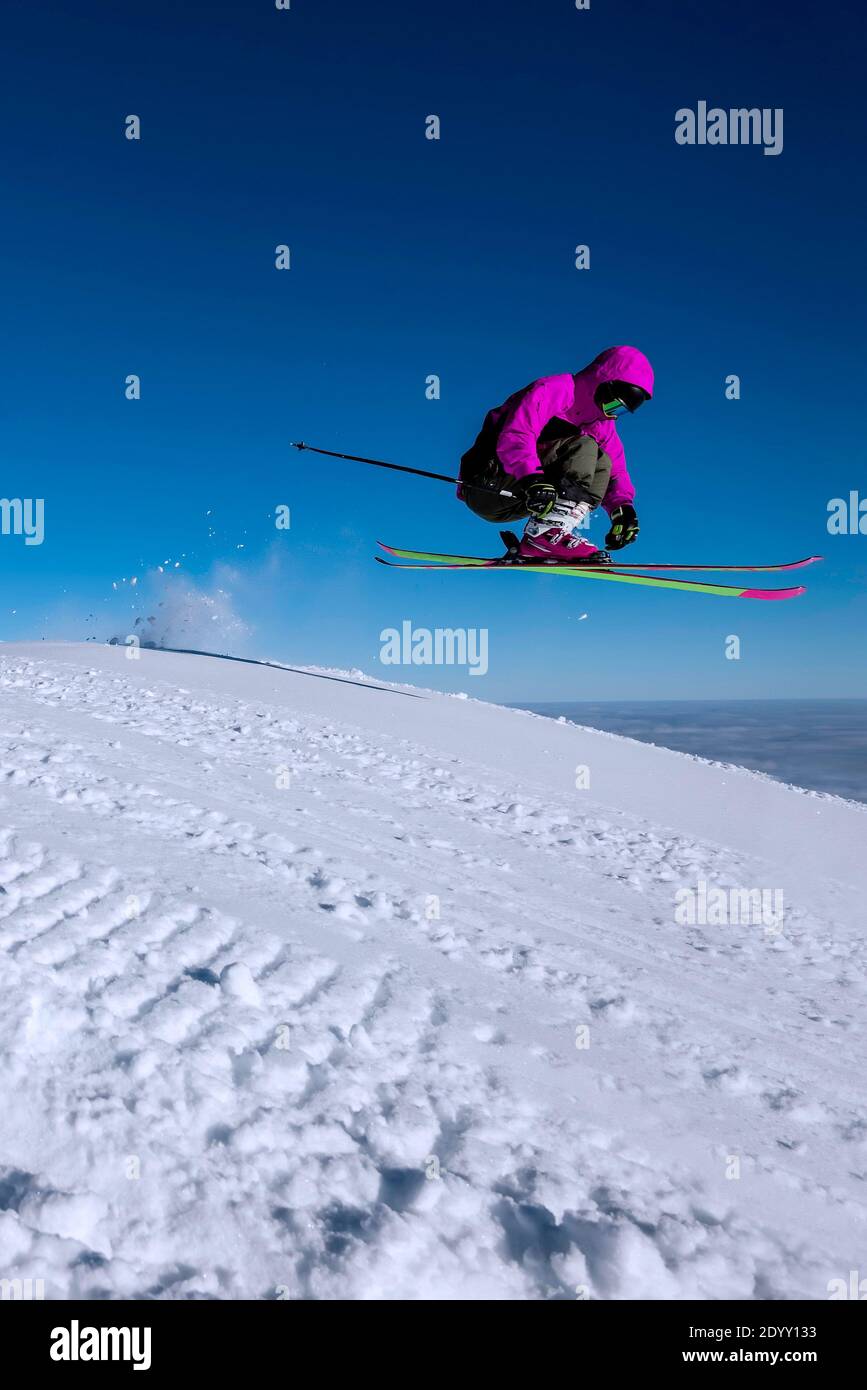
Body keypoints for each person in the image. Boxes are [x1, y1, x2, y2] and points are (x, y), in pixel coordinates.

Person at [457, 345, 653, 562]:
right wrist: (532, 477)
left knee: (601, 461)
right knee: (585, 447)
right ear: (603, 384)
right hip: (487, 485)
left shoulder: (601, 423)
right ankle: (542, 535)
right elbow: (517, 434)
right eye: (614, 405)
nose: (612, 414)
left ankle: (551, 534)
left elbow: (617, 472)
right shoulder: (555, 390)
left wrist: (622, 509)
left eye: (621, 411)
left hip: (523, 499)